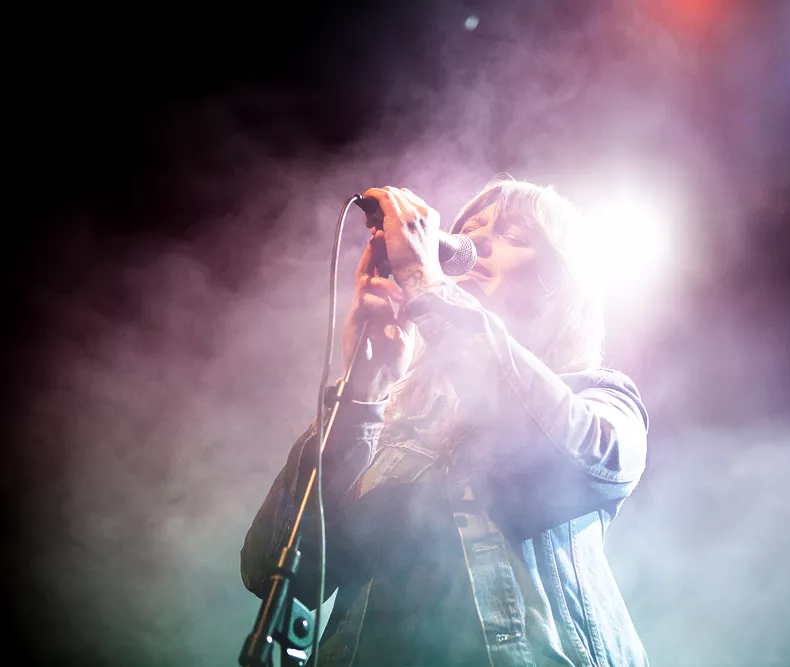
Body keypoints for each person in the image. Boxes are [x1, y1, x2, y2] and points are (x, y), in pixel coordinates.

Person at [241, 178, 650, 666]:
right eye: (470, 230)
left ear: (558, 284)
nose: (476, 243)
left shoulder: (602, 397)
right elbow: (270, 569)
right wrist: (362, 392)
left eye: (514, 236)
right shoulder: (393, 422)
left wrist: (424, 283)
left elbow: (575, 458)